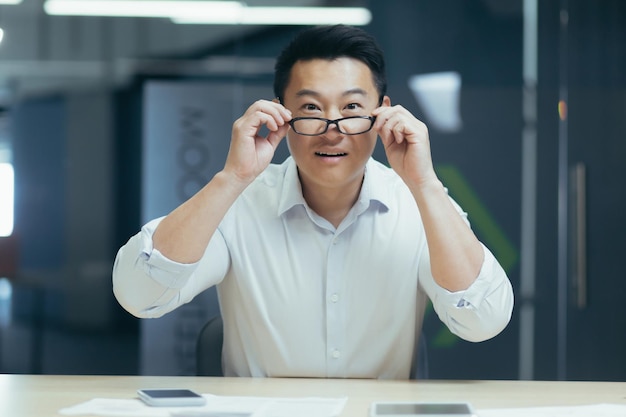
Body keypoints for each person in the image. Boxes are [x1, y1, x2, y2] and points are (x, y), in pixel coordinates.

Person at [113, 24, 514, 379]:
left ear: (383, 114)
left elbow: (482, 321)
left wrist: (424, 183)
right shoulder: (239, 203)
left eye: (352, 108)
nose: (332, 131)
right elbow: (141, 295)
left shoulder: (420, 206)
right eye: (310, 109)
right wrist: (231, 178)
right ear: (281, 116)